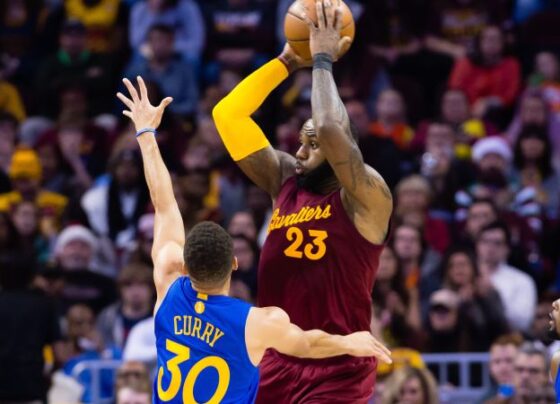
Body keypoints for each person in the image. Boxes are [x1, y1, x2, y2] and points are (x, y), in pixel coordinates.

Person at [117, 75, 392, 403]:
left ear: (184, 264)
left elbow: (163, 204)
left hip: (329, 376)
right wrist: (348, 342)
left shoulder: (168, 291)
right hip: (297, 356)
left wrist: (146, 135)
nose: (301, 151)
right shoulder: (253, 322)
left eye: (313, 144)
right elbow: (306, 343)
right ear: (235, 264)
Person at [212, 1, 393, 401]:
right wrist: (288, 59)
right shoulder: (284, 181)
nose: (300, 150)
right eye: (300, 141)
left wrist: (323, 59)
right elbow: (228, 115)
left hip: (340, 363)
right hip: (277, 359)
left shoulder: (366, 196)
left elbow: (329, 126)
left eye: (311, 144)